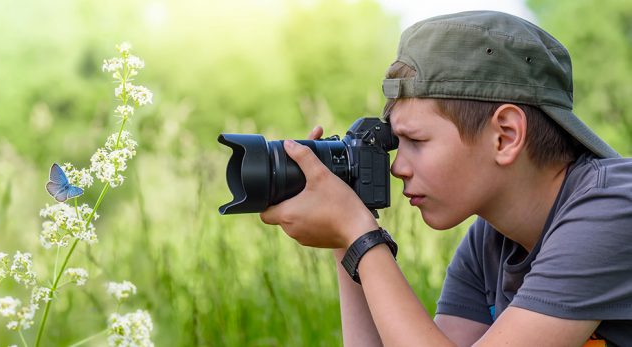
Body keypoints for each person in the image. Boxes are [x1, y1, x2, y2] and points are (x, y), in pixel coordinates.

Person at [260, 10, 632, 346]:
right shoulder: (492, 241)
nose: (397, 167)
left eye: (416, 141)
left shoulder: (613, 212)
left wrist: (362, 238)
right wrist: (343, 236)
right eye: (396, 143)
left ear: (505, 135)